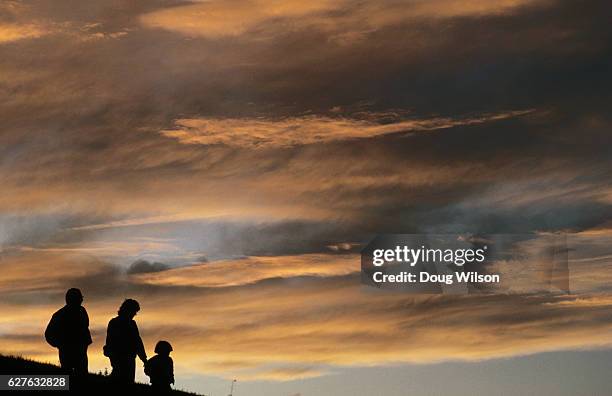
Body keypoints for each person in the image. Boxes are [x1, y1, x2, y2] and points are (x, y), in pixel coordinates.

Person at [45, 288, 92, 376]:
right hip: (67, 352)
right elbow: (48, 334)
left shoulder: (82, 311)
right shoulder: (60, 315)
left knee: (82, 377)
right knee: (67, 375)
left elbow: (85, 326)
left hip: (81, 351)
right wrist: (60, 345)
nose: (81, 300)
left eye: (81, 298)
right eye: (79, 298)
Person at [104, 299, 147, 384]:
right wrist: (144, 358)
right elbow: (137, 341)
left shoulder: (127, 323)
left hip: (127, 356)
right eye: (134, 311)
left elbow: (137, 341)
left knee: (125, 380)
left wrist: (144, 358)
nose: (135, 314)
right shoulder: (117, 323)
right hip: (120, 356)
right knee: (121, 379)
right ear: (128, 310)